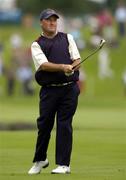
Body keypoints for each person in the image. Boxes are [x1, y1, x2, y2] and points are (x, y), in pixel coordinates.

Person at [28, 9, 81, 175]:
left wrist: (73, 67)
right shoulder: (37, 44)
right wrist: (63, 67)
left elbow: (77, 59)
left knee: (64, 124)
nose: (52, 23)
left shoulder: (67, 38)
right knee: (44, 125)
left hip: (69, 90)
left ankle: (64, 164)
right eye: (48, 20)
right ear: (41, 23)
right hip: (49, 91)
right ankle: (40, 159)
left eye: (54, 20)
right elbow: (43, 65)